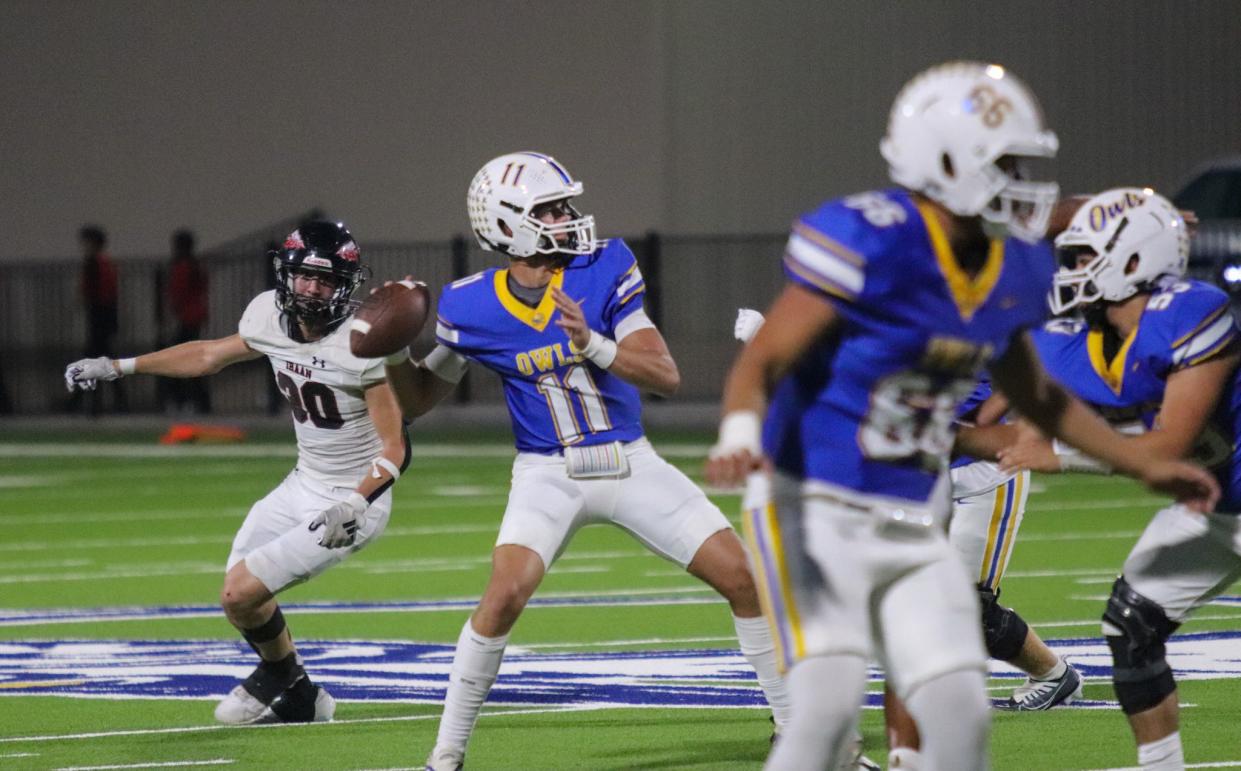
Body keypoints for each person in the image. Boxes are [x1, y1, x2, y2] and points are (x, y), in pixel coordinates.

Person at [706, 62, 1218, 771]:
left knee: (957, 709)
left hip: (910, 507)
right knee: (823, 713)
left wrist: (1147, 460)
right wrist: (737, 432)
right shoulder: (870, 236)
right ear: (946, 161)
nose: (1015, 177)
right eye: (1000, 161)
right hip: (809, 496)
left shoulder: (1011, 267)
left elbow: (1037, 396)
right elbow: (762, 357)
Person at [383, 152, 815, 771]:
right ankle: (444, 757)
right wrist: (393, 353)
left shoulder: (603, 266)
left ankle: (796, 734)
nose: (567, 218)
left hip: (630, 462)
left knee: (745, 579)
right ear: (509, 225)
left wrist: (593, 343)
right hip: (547, 472)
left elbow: (664, 375)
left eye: (563, 206)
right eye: (549, 210)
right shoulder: (467, 307)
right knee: (504, 594)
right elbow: (419, 400)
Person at [64, 220, 409, 724]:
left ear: (346, 286)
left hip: (353, 500)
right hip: (302, 482)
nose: (313, 289)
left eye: (327, 279)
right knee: (241, 600)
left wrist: (357, 501)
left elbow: (396, 444)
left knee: (242, 592)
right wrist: (120, 366)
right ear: (285, 276)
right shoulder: (267, 315)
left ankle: (277, 677)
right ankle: (300, 694)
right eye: (305, 277)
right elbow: (208, 355)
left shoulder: (362, 344)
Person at [993, 187, 1240, 770]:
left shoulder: (1188, 311)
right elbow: (994, 400)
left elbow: (1169, 450)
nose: (1072, 271)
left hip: (1212, 485)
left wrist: (1066, 452)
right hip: (1217, 505)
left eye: (1083, 257)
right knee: (1131, 624)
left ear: (1135, 260)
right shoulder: (1077, 341)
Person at [76, 224, 124, 415]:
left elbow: (96, 292)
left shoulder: (95, 264)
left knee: (94, 360)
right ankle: (113, 401)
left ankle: (91, 403)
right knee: (102, 360)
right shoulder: (104, 263)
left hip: (98, 317)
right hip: (104, 316)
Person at [165, 228, 211, 414]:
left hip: (186, 317)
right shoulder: (195, 265)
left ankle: (183, 400)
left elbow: (178, 293)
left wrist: (171, 311)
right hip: (195, 316)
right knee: (193, 359)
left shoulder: (182, 266)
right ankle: (199, 401)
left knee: (179, 360)